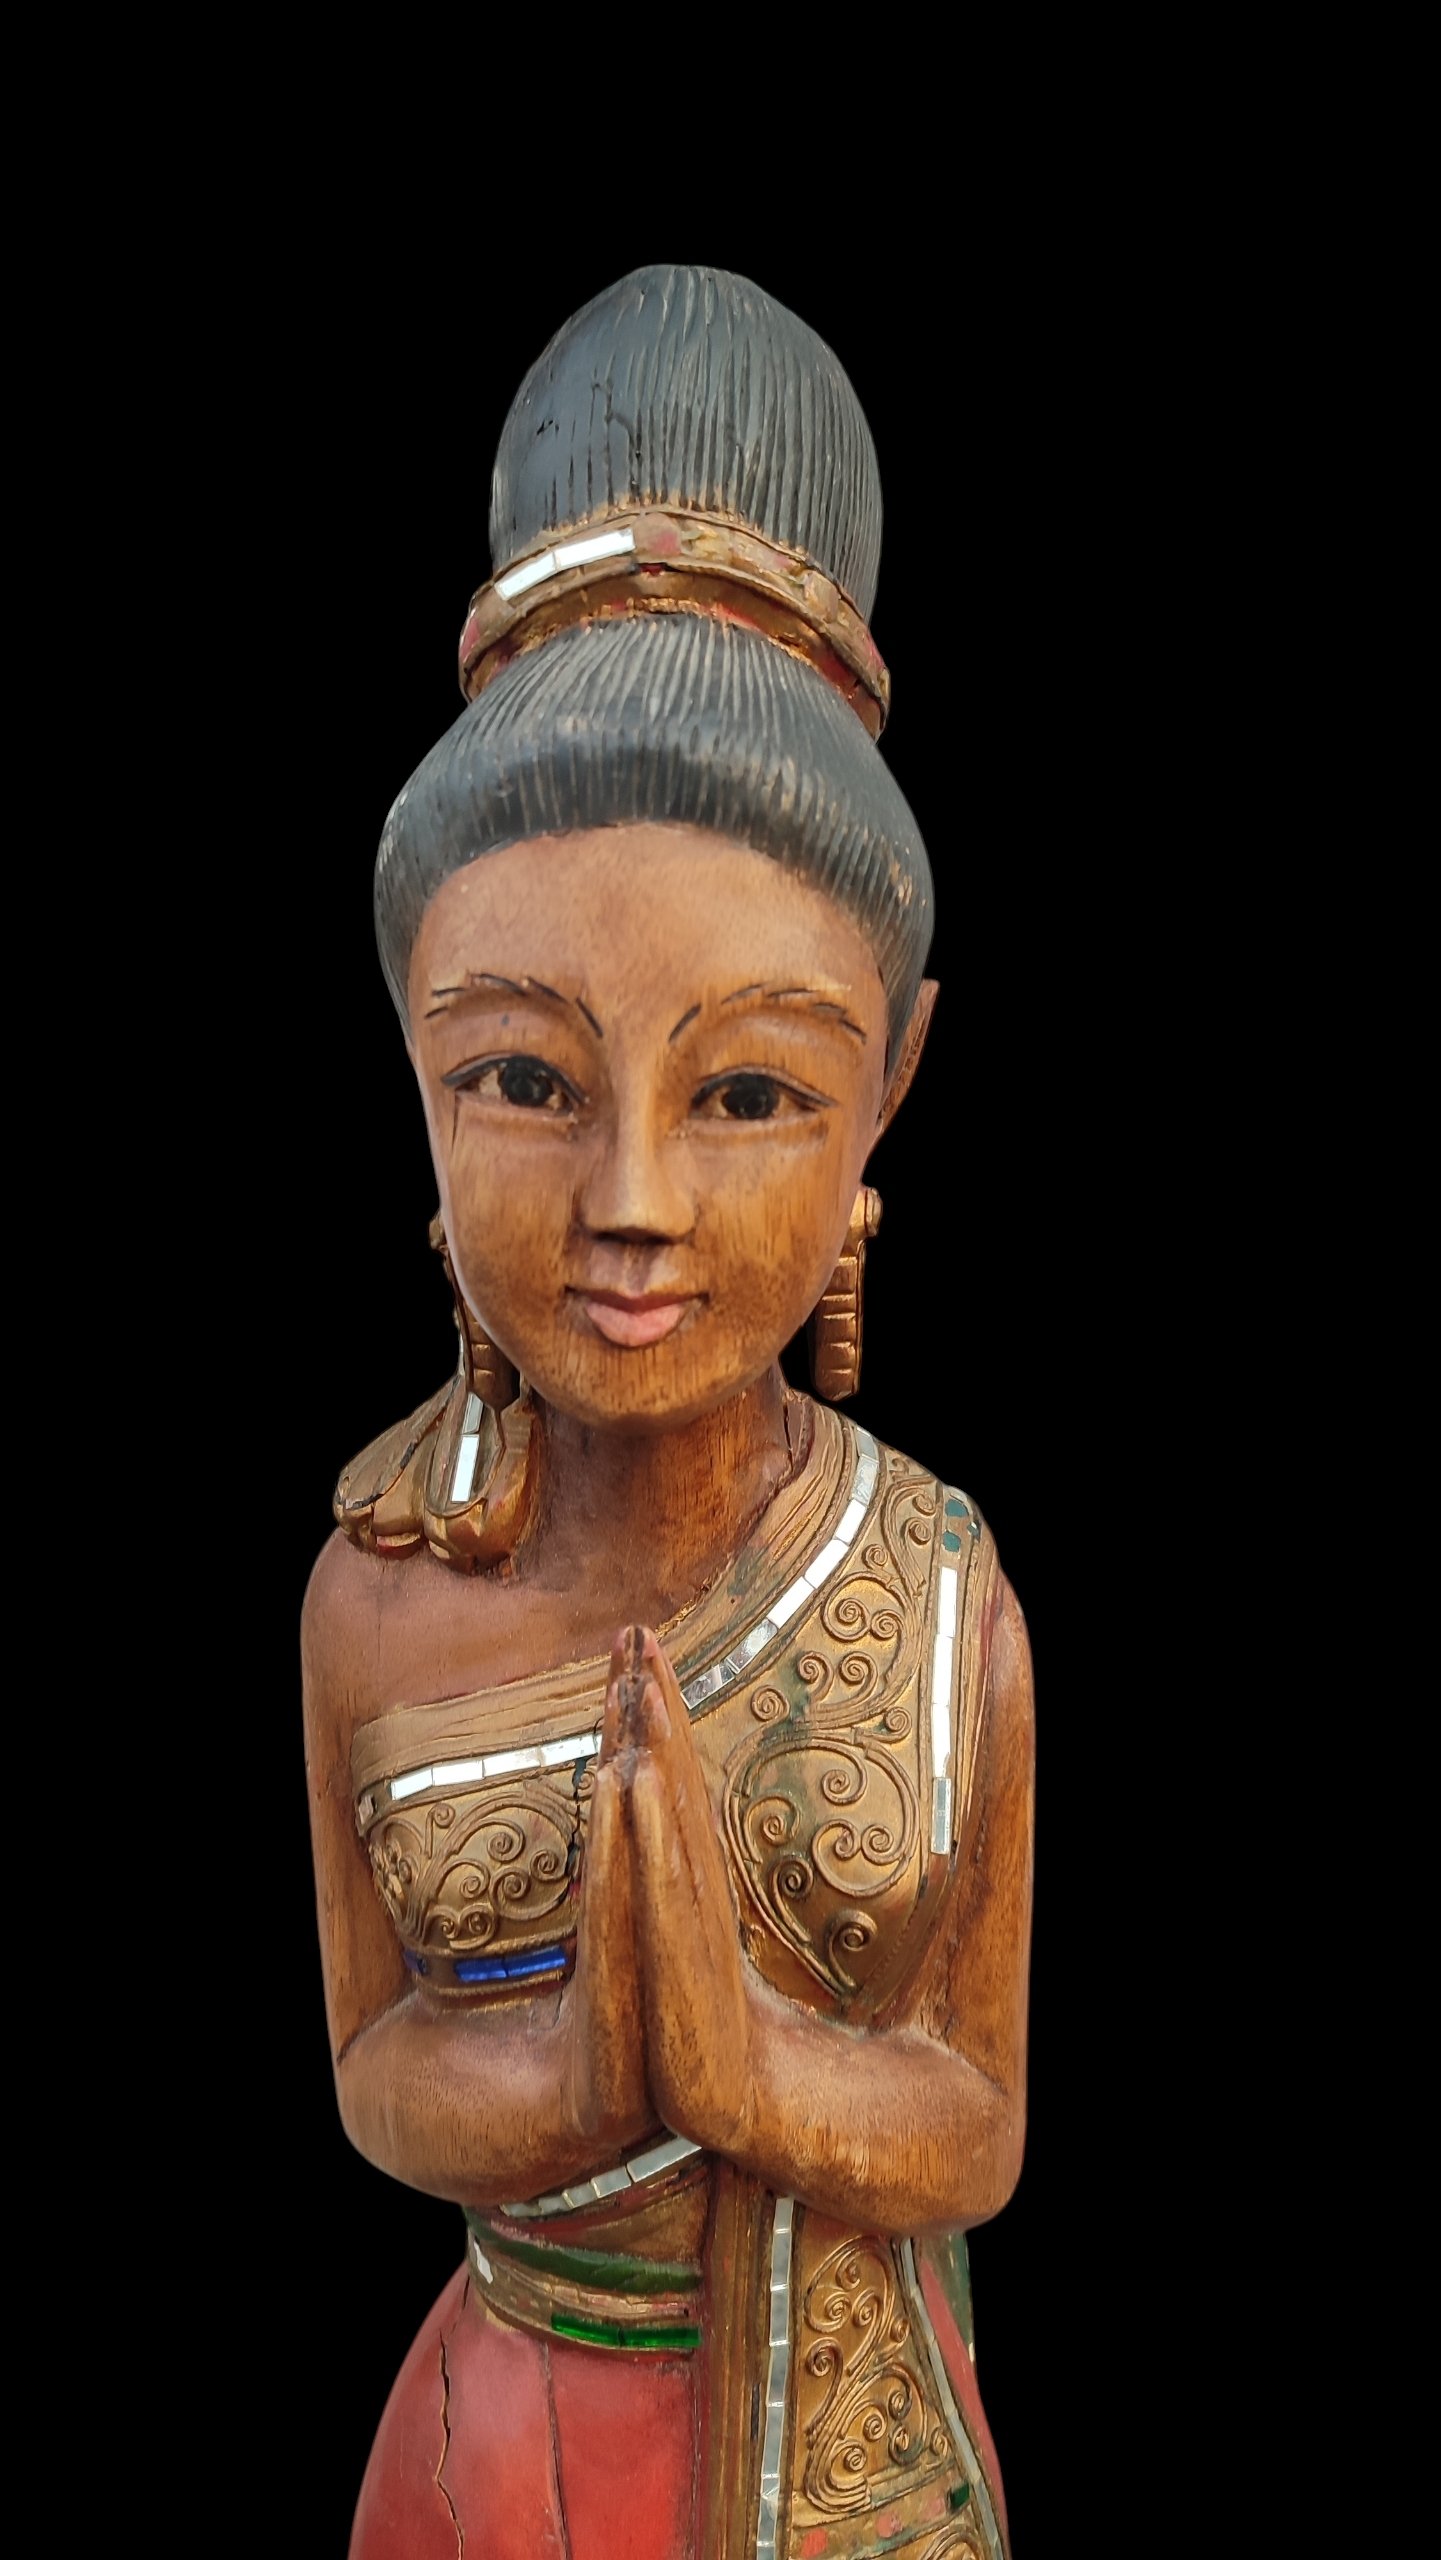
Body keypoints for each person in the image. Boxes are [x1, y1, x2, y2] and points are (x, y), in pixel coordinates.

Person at [302, 262, 1033, 2560]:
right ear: (412, 1064)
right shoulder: (377, 1595)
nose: (630, 1198)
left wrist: (748, 2071)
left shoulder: (936, 1594)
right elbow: (368, 2060)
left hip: (839, 2454)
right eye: (524, 1077)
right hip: (504, 2425)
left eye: (744, 1092)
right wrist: (580, 2074)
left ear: (889, 1082)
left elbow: (976, 2114)